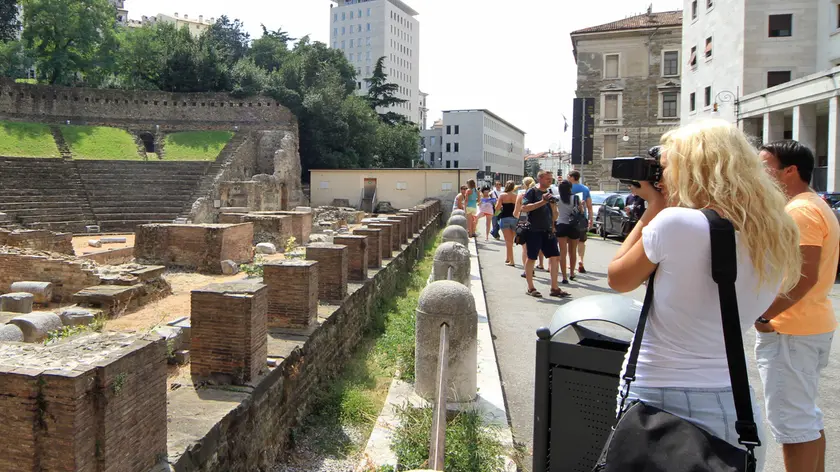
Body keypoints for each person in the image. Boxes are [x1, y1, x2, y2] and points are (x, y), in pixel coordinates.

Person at [607, 120, 802, 471]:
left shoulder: (676, 224)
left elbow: (618, 277)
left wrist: (655, 206)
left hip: (658, 397)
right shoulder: (775, 234)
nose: (662, 178)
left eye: (665, 168)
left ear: (692, 168)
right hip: (734, 404)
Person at [757, 140, 838, 472]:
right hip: (807, 325)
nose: (758, 174)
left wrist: (764, 315)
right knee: (805, 418)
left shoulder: (801, 210)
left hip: (790, 329)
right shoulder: (814, 205)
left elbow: (804, 276)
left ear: (790, 171)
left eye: (765, 167)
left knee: (793, 425)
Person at [521, 170, 568, 298]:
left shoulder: (550, 193)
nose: (550, 181)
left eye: (551, 179)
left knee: (555, 257)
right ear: (540, 179)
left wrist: (553, 207)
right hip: (534, 230)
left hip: (548, 230)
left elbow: (555, 215)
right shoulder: (532, 191)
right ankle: (530, 287)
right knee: (531, 258)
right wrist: (542, 202)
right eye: (548, 179)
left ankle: (554, 287)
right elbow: (524, 208)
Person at [553, 180, 584, 285]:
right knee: (572, 251)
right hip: (573, 226)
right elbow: (581, 211)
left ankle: (564, 276)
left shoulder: (557, 198)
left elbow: (554, 212)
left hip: (561, 224)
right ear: (570, 188)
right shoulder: (575, 198)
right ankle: (571, 273)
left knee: (562, 251)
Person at [567, 171, 593, 274]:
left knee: (570, 242)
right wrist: (591, 219)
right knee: (582, 241)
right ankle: (580, 260)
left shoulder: (566, 188)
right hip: (582, 218)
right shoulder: (585, 189)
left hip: (569, 218)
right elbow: (590, 206)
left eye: (568, 176)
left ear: (572, 177)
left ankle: (571, 262)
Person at [496, 180, 519, 265]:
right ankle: (508, 257)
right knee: (511, 241)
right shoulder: (516, 196)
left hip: (505, 218)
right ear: (513, 187)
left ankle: (512, 261)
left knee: (508, 241)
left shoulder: (502, 195)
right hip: (514, 218)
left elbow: (497, 208)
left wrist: (500, 206)